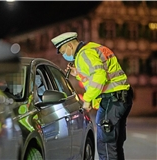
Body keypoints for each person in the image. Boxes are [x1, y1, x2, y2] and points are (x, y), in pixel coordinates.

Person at [51, 32, 133, 160]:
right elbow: (94, 77)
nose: (63, 55)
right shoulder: (92, 48)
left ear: (70, 46)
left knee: (106, 144)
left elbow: (99, 76)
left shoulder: (84, 54)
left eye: (63, 51)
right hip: (121, 97)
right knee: (114, 144)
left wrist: (87, 100)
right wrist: (78, 74)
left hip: (112, 100)